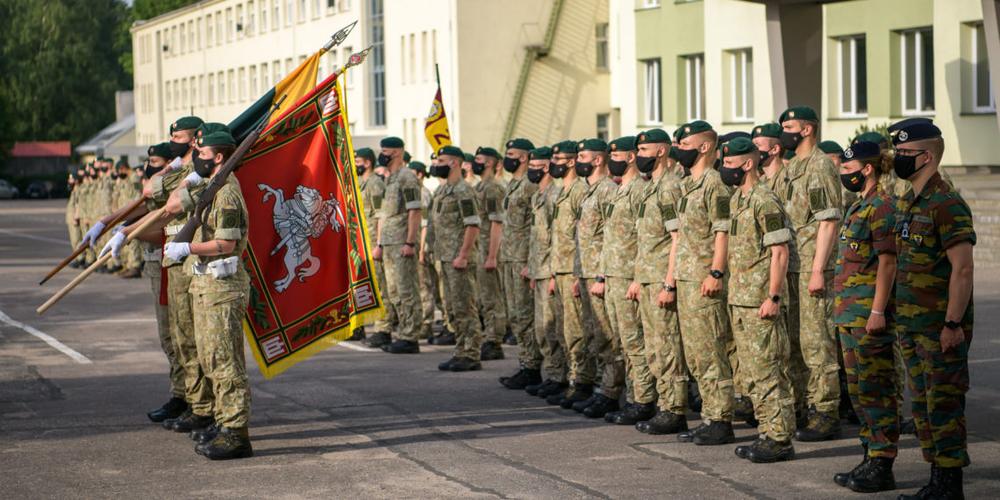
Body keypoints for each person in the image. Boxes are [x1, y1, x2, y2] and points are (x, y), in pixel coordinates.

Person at [890, 118, 974, 500]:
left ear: (926, 156)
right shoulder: (910, 201)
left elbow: (963, 268)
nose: (897, 158)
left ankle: (949, 484)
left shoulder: (946, 203)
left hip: (940, 326)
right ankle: (936, 480)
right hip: (912, 324)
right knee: (923, 406)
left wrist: (953, 323)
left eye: (904, 153)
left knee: (943, 406)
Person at [162, 130, 253, 460]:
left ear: (218, 157)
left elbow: (226, 244)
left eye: (202, 150)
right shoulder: (209, 188)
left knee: (226, 362)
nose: (196, 153)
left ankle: (236, 433)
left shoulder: (227, 193)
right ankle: (222, 420)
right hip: (205, 287)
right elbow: (172, 202)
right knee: (211, 360)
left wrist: (186, 247)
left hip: (223, 288)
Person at [828, 140, 901, 492]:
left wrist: (877, 310)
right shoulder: (858, 206)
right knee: (858, 392)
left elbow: (888, 262)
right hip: (849, 314)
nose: (844, 175)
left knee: (876, 390)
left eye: (847, 169)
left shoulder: (881, 207)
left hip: (867, 316)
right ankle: (869, 454)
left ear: (866, 168)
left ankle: (883, 464)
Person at [720, 137, 797, 463]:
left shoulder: (764, 200)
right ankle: (767, 432)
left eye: (730, 164)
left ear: (748, 164)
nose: (725, 170)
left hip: (760, 300)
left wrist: (773, 296)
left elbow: (780, 252)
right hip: (741, 298)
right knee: (752, 371)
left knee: (769, 370)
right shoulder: (739, 198)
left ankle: (779, 438)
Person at [779, 106, 843, 441]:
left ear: (807, 130)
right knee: (794, 343)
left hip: (811, 267)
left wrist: (818, 269)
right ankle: (803, 406)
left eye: (789, 126)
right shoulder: (791, 169)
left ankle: (826, 411)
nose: (784, 132)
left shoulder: (819, 167)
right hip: (790, 267)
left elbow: (828, 222)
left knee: (817, 342)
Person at [673, 121, 736, 445]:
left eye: (685, 144)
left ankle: (721, 418)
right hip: (685, 279)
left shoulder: (715, 183)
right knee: (697, 353)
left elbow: (722, 231)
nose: (679, 150)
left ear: (704, 147)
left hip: (703, 280)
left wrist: (715, 272)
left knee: (712, 351)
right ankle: (710, 414)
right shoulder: (687, 184)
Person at [632, 129, 688, 435]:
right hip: (648, 278)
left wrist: (669, 283)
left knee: (666, 346)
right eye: (638, 149)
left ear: (662, 151)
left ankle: (674, 408)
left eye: (645, 149)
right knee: (654, 346)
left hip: (661, 280)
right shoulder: (650, 187)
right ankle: (664, 403)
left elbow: (676, 240)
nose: (640, 154)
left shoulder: (668, 188)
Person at [600, 135, 655, 426]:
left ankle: (643, 399)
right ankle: (633, 396)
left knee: (635, 342)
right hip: (614, 275)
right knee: (622, 342)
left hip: (628, 277)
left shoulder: (639, 191)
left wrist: (637, 277)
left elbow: (644, 240)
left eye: (617, 156)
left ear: (631, 157)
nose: (613, 162)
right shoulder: (620, 191)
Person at [568, 138, 624, 418]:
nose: (579, 160)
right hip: (586, 273)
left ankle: (611, 391)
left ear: (598, 160)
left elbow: (611, 238)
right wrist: (579, 275)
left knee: (608, 337)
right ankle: (601, 388)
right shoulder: (588, 191)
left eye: (584, 156)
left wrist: (601, 276)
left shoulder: (608, 191)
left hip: (600, 274)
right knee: (594, 335)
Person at [427, 146, 484, 371]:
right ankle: (460, 350)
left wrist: (463, 255)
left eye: (441, 160)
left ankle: (471, 353)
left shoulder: (464, 191)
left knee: (464, 306)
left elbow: (472, 225)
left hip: (459, 259)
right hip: (445, 257)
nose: (436, 163)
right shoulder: (442, 191)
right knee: (451, 307)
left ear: (453, 163)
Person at [546, 140, 591, 408]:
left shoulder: (578, 191)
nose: (554, 163)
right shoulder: (561, 191)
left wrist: (577, 275)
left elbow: (581, 236)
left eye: (559, 159)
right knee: (564, 330)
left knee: (577, 331)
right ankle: (571, 379)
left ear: (572, 161)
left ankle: (582, 381)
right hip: (559, 268)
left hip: (573, 269)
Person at [498, 138, 544, 389]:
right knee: (515, 314)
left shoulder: (529, 185)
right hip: (509, 256)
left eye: (513, 154)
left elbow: (536, 227)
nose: (509, 158)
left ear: (524, 157)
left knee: (525, 314)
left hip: (522, 258)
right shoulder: (513, 184)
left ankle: (532, 366)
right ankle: (525, 362)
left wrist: (531, 261)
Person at [373, 137, 424, 354]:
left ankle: (410, 336)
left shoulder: (407, 178)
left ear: (397, 152)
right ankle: (403, 331)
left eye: (386, 151)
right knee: (394, 291)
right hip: (390, 243)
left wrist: (410, 242)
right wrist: (380, 244)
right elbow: (385, 215)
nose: (382, 154)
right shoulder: (390, 179)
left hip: (402, 243)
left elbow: (415, 211)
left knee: (406, 290)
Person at [527, 145, 567, 395]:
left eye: (534, 165)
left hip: (550, 269)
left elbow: (557, 237)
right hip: (539, 268)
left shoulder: (555, 195)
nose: (530, 170)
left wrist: (552, 272)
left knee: (552, 327)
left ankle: (558, 375)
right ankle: (552, 374)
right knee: (542, 326)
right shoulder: (537, 196)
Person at [471, 146, 508, 361]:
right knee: (484, 296)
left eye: (479, 159)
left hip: (488, 249)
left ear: (490, 163)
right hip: (480, 248)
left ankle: (494, 340)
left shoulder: (493, 188)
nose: (476, 163)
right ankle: (489, 336)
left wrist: (492, 255)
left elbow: (496, 223)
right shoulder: (479, 187)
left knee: (492, 296)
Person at [355, 148, 394, 344]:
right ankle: (361, 326)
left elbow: (380, 216)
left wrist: (379, 244)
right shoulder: (361, 184)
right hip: (362, 243)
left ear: (367, 163)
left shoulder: (375, 184)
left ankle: (383, 328)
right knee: (365, 287)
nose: (355, 164)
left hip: (373, 242)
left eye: (358, 161)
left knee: (379, 287)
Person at [411, 160, 446, 344]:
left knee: (426, 286)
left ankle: (427, 322)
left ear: (419, 174)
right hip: (425, 245)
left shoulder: (423, 194)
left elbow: (424, 224)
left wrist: (422, 249)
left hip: (425, 246)